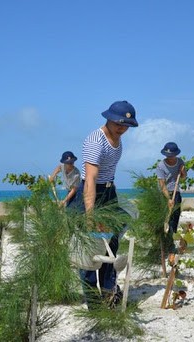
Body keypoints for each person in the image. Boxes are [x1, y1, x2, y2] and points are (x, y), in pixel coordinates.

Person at [69, 100, 138, 309]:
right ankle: (93, 304)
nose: (122, 128)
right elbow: (90, 179)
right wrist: (90, 215)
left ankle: (109, 292)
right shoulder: (95, 141)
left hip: (109, 192)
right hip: (91, 193)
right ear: (108, 118)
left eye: (126, 125)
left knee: (113, 242)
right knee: (90, 249)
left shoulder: (118, 139)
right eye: (118, 123)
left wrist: (111, 193)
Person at [156, 142, 186, 251]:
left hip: (176, 192)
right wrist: (168, 199)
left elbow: (183, 178)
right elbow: (162, 185)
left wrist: (182, 172)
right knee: (166, 219)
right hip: (164, 193)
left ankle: (172, 241)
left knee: (175, 217)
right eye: (168, 155)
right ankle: (164, 243)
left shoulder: (180, 162)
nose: (170, 158)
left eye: (172, 155)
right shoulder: (160, 166)